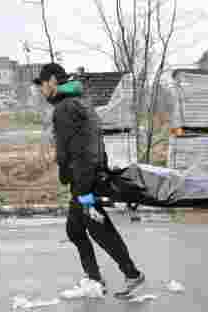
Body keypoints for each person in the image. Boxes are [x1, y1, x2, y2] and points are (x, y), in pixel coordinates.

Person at [33, 63, 145, 299]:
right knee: (75, 230)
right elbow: (95, 142)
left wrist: (75, 179)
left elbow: (68, 151)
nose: (42, 91)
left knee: (99, 228)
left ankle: (131, 274)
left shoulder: (65, 108)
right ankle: (94, 278)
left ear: (52, 81)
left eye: (42, 85)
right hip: (87, 177)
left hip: (83, 181)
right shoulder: (81, 102)